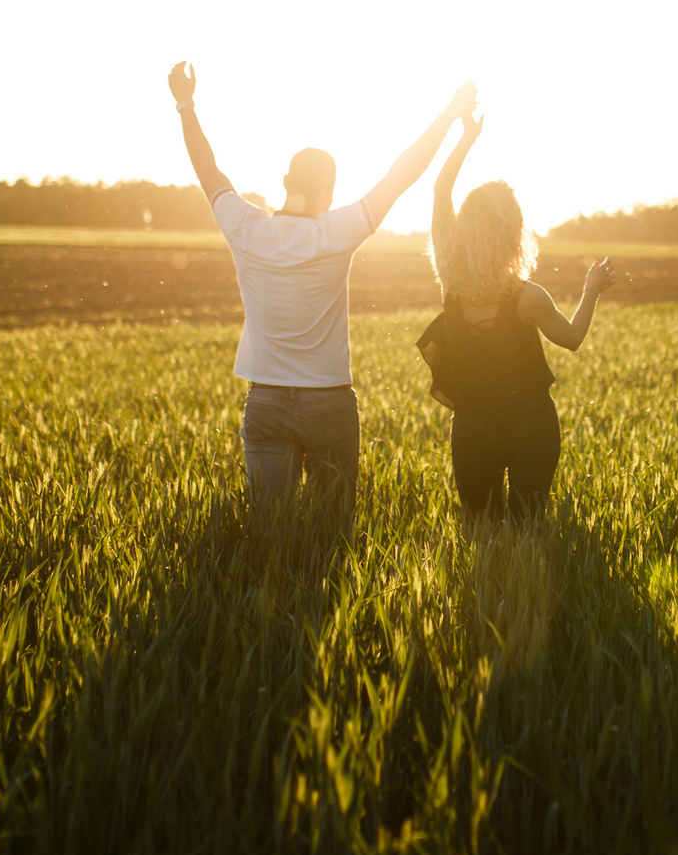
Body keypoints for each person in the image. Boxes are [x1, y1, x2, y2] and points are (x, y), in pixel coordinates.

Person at [169, 61, 478, 517]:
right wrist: (451, 113)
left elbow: (208, 170)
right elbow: (402, 173)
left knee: (269, 534)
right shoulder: (337, 231)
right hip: (329, 403)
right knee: (332, 540)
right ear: (330, 193)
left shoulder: (244, 227)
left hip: (267, 401)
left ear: (286, 183)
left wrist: (185, 104)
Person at [420, 111, 617, 523]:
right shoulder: (528, 297)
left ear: (465, 229)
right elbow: (573, 337)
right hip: (532, 428)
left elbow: (441, 190)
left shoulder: (451, 285)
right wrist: (591, 290)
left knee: (482, 533)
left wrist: (466, 138)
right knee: (528, 531)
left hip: (472, 429)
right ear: (513, 232)